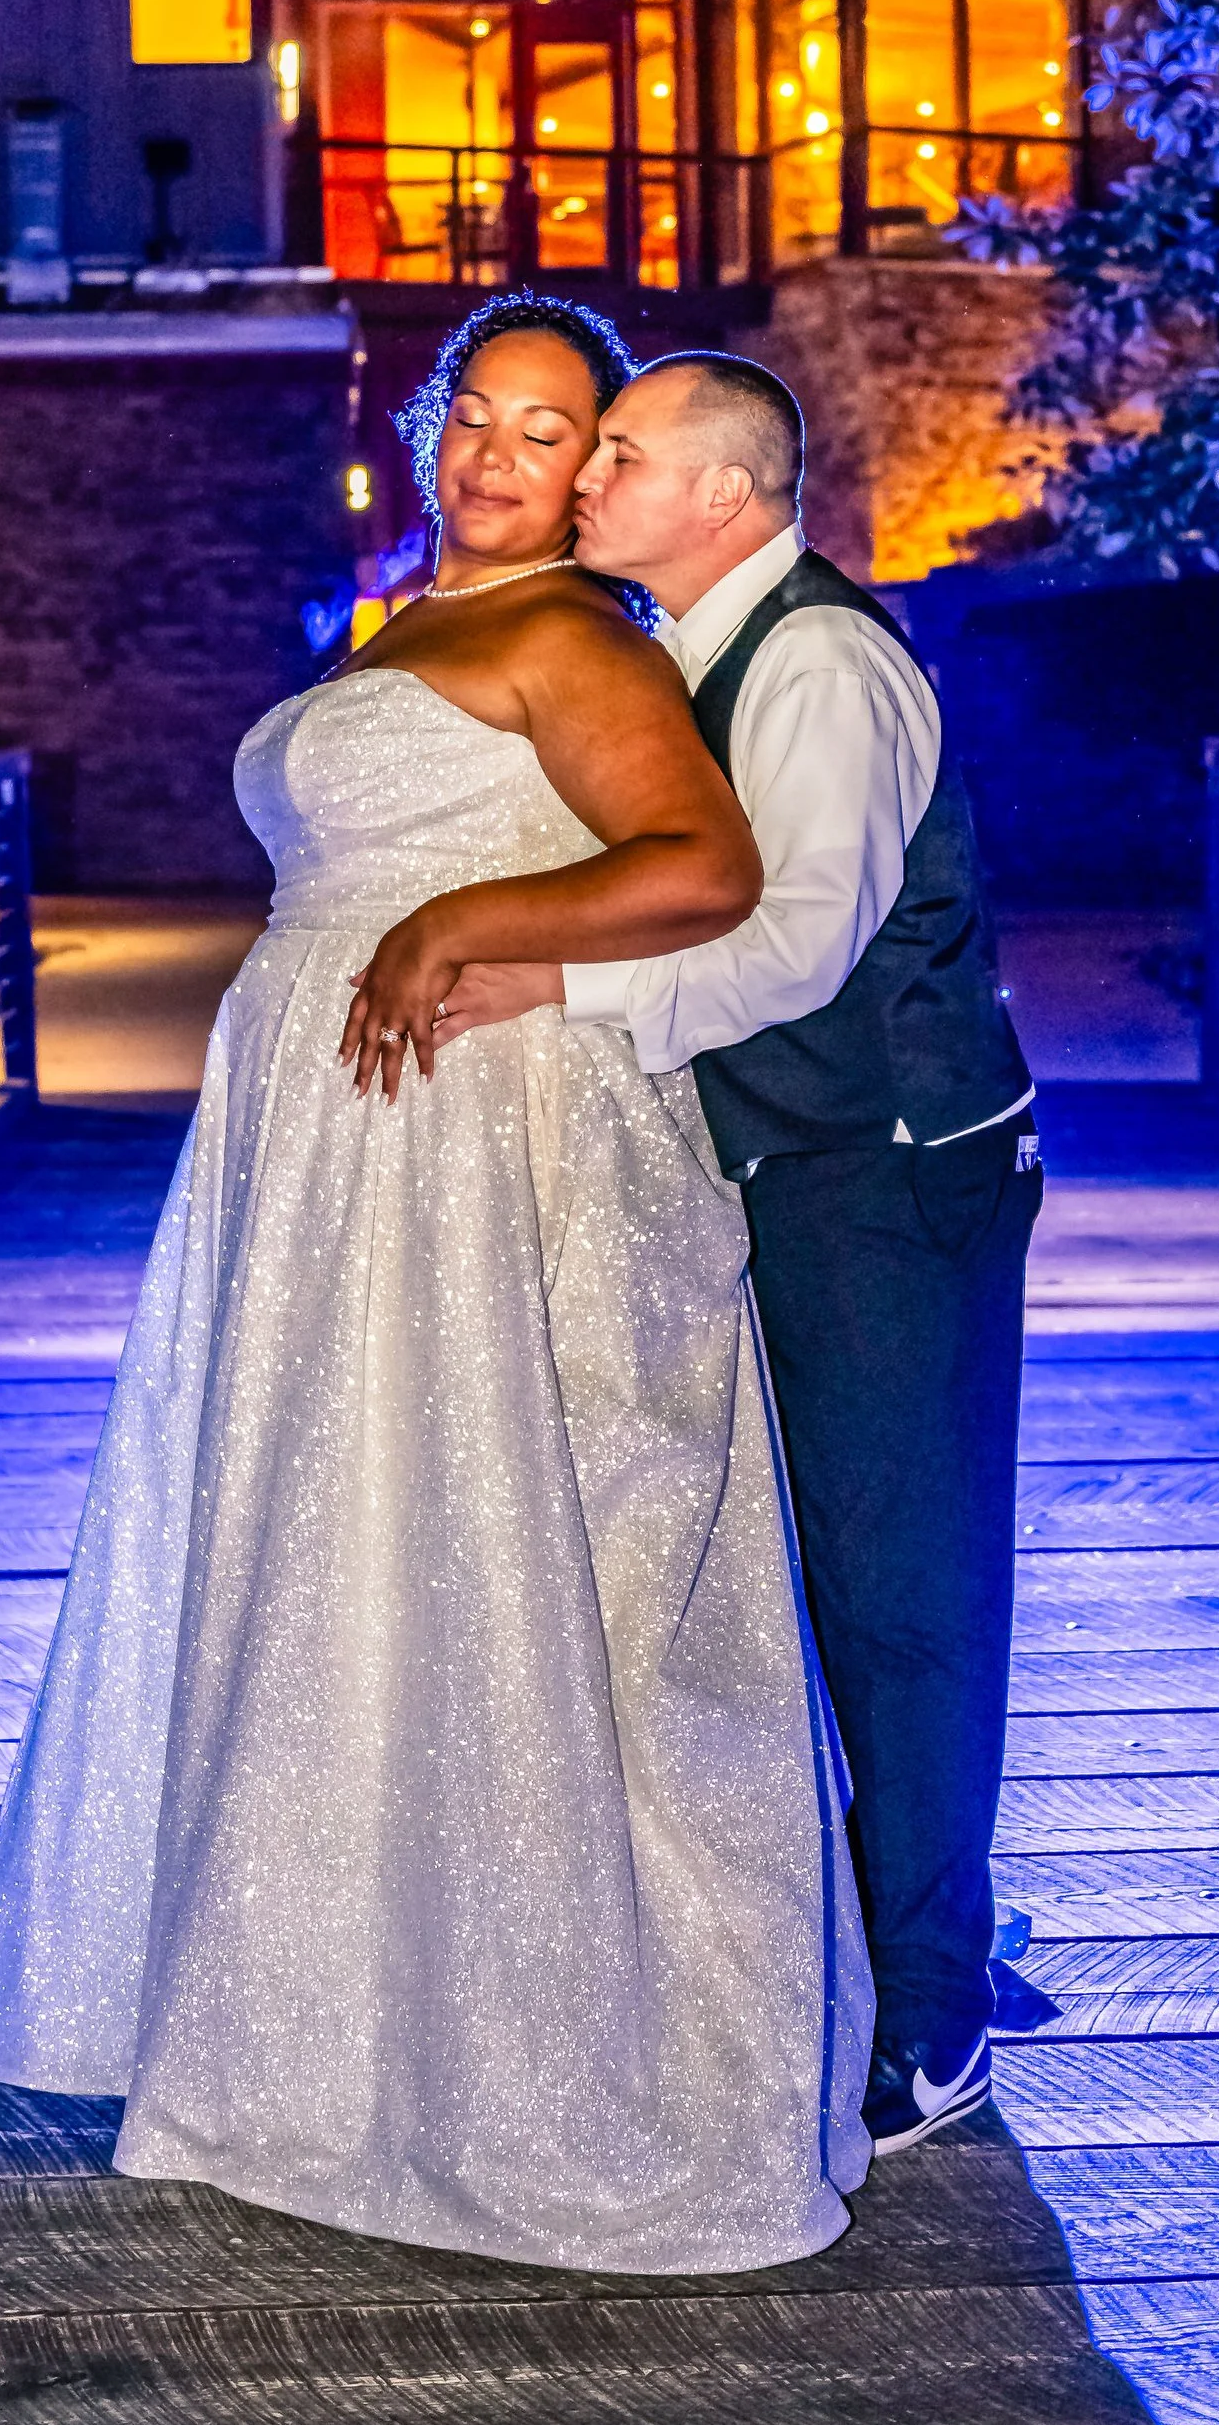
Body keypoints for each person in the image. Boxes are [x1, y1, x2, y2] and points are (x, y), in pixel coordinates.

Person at [0, 295, 873, 2274]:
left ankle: (534, 2051)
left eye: (547, 437)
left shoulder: (558, 635)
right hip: (328, 1139)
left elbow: (701, 865)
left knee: (495, 1540)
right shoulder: (405, 621)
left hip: (478, 1137)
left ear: (587, 474)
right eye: (477, 415)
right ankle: (299, 2007)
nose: (493, 457)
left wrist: (469, 911)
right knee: (336, 1540)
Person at [430, 353, 1039, 2157]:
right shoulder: (687, 659)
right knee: (802, 1578)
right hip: (787, 1164)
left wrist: (556, 983)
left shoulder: (825, 662)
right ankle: (855, 1946)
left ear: (732, 493)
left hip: (890, 1177)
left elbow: (797, 952)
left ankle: (933, 2024)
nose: (590, 474)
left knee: (902, 1592)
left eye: (622, 452)